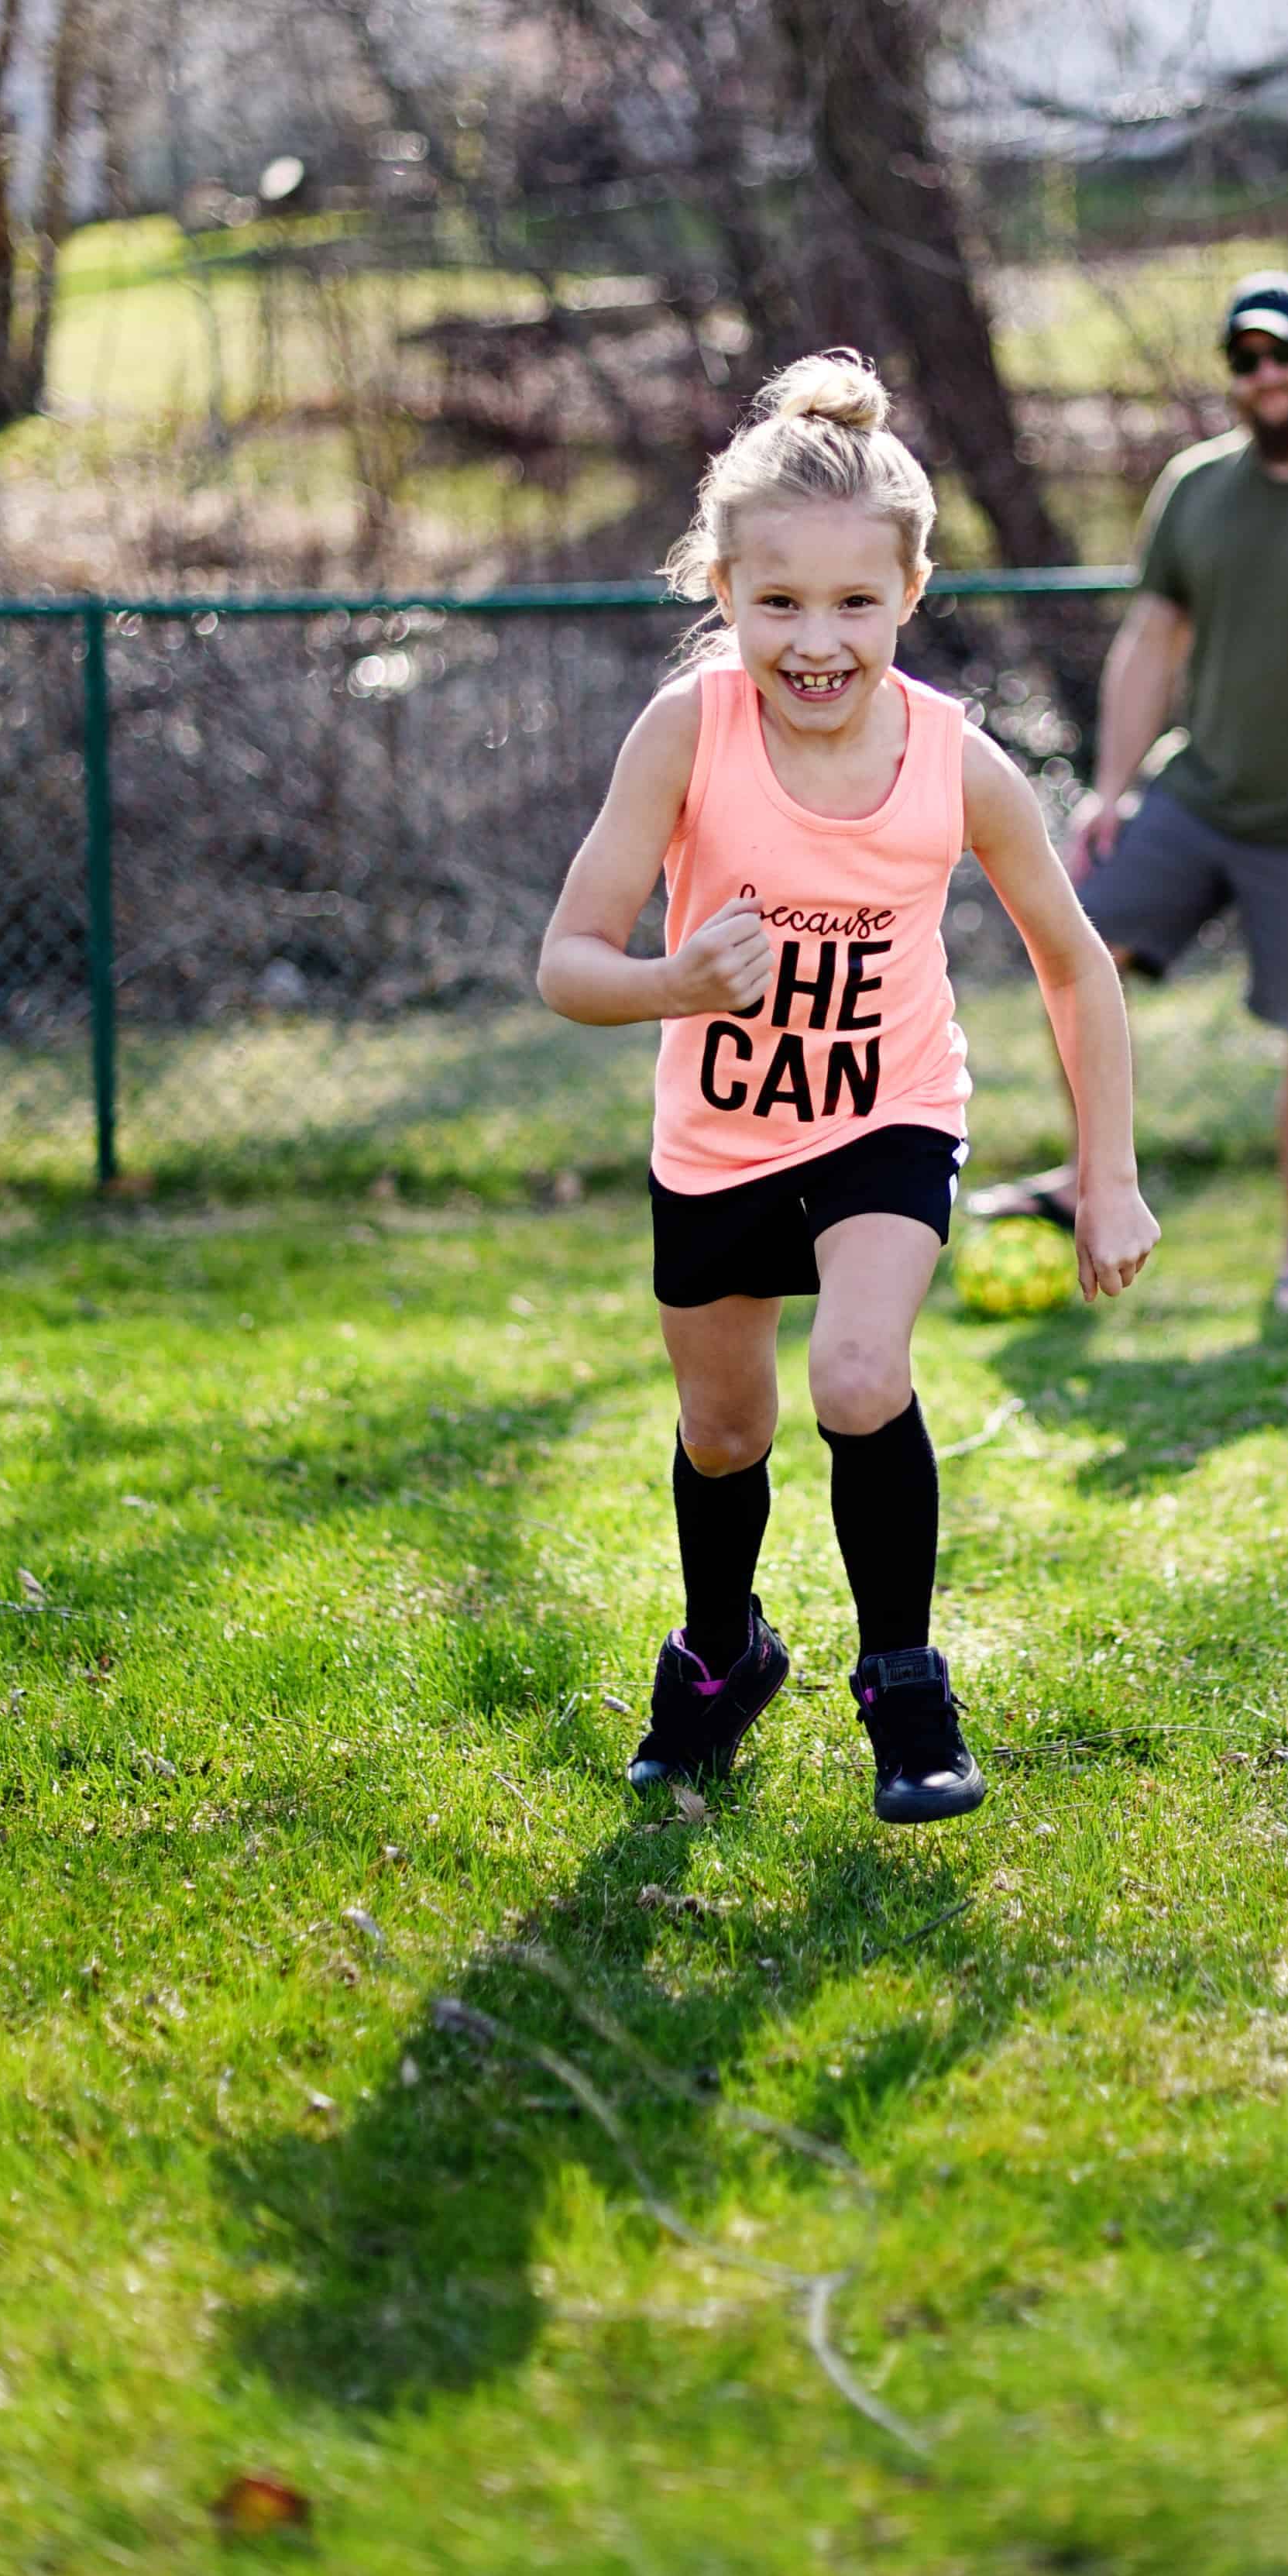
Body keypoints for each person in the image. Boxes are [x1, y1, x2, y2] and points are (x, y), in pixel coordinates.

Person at [537, 351, 1158, 1826]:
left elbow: (1076, 966)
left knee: (859, 1376)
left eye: (855, 605)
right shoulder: (689, 732)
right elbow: (568, 962)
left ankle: (905, 1687)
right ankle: (723, 1655)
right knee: (726, 1433)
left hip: (890, 1116)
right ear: (725, 593)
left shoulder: (956, 763)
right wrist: (675, 983)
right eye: (779, 606)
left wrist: (1110, 1172)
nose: (817, 643)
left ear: (912, 595)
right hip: (717, 1135)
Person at [974, 272, 1288, 1327]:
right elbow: (1151, 641)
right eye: (1244, 362)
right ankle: (1087, 1180)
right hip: (1197, 797)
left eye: (1283, 354)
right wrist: (1111, 790)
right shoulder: (1195, 489)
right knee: (1079, 953)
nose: (1266, 378)